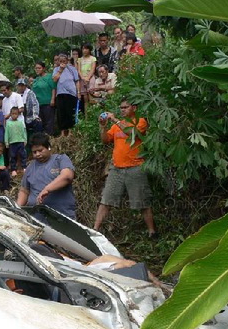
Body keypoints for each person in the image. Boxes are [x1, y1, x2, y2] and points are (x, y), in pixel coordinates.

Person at [94, 99, 156, 237]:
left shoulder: (140, 121)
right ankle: (95, 231)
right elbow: (105, 140)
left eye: (125, 107)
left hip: (136, 167)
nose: (122, 110)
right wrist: (103, 126)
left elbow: (131, 133)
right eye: (120, 107)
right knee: (106, 200)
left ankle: (152, 231)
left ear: (134, 108)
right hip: (116, 168)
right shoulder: (116, 126)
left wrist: (114, 118)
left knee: (143, 202)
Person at [17, 132, 76, 219]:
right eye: (34, 152)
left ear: (48, 148)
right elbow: (24, 191)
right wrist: (17, 209)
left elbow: (67, 176)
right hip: (37, 218)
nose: (37, 154)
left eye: (40, 150)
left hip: (62, 218)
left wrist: (47, 189)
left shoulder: (60, 159)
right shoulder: (30, 167)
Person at [52, 53, 80, 137]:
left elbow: (77, 81)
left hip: (71, 94)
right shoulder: (56, 69)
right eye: (60, 61)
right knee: (61, 113)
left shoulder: (72, 69)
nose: (62, 62)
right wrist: (60, 69)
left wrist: (78, 92)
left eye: (64, 61)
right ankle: (62, 133)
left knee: (70, 113)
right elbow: (54, 79)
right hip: (60, 93)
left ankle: (71, 132)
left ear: (67, 61)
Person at [33, 61, 56, 136]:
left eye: (39, 68)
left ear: (43, 68)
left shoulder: (49, 77)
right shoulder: (36, 79)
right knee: (40, 122)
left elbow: (53, 88)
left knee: (49, 122)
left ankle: (49, 138)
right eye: (36, 68)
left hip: (47, 103)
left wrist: (53, 99)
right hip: (38, 104)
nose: (37, 70)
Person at [4, 107, 27, 177]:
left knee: (23, 154)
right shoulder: (8, 123)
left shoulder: (20, 122)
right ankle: (13, 169)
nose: (14, 115)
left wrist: (25, 139)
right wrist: (6, 142)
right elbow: (6, 132)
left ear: (18, 114)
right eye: (13, 114)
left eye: (16, 114)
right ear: (10, 114)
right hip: (12, 142)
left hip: (20, 141)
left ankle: (24, 167)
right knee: (12, 156)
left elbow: (23, 132)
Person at [77, 43, 97, 111]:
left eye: (86, 48)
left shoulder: (93, 58)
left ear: (89, 50)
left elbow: (93, 69)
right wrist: (82, 77)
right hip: (82, 79)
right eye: (83, 49)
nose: (84, 50)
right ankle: (86, 117)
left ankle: (92, 114)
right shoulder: (79, 59)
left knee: (91, 97)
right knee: (85, 99)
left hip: (90, 78)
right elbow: (79, 70)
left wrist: (88, 78)